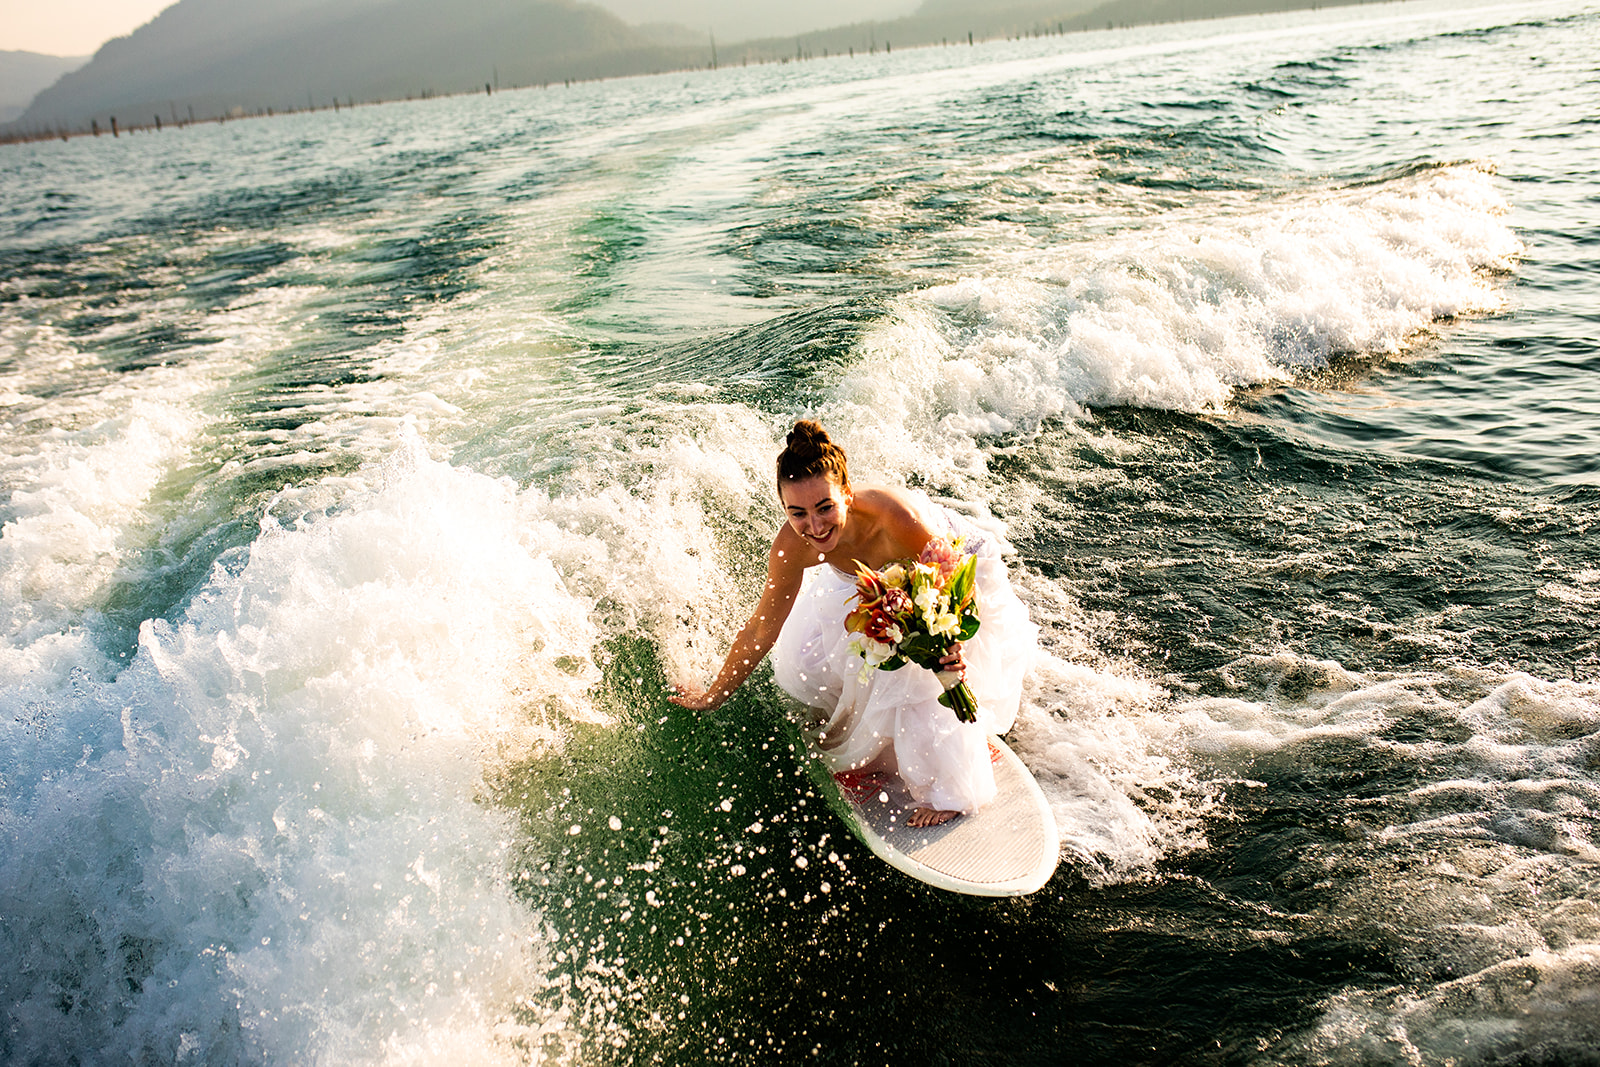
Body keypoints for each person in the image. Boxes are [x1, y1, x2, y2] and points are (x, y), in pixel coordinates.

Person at [669, 421, 1037, 828]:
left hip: (949, 570)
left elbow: (950, 585)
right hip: (874, 579)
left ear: (846, 493)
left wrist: (950, 646)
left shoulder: (895, 518)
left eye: (825, 507)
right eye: (798, 513)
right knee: (805, 659)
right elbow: (761, 629)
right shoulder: (794, 548)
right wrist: (714, 694)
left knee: (918, 675)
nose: (815, 526)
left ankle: (953, 786)